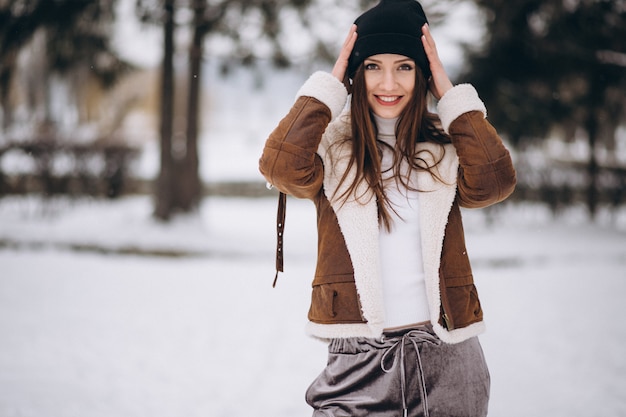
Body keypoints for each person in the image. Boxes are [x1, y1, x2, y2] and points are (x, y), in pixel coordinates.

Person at [259, 0, 516, 415]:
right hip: (358, 360)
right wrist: (329, 85)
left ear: (424, 73)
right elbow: (279, 167)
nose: (388, 82)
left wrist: (450, 97)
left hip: (446, 357)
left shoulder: (445, 148)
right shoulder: (331, 149)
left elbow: (495, 181)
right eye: (373, 66)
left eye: (405, 66)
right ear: (356, 74)